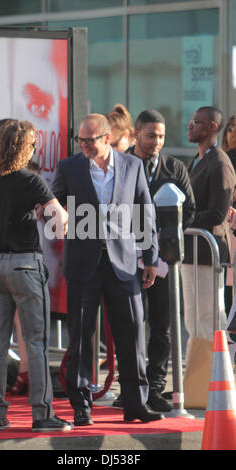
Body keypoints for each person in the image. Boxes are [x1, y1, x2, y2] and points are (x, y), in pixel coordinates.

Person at [51, 113, 164, 426]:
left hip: (124, 264)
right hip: (82, 265)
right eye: (81, 140)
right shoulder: (69, 167)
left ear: (106, 138)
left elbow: (145, 213)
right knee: (81, 338)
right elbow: (53, 203)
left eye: (90, 140)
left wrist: (150, 258)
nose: (84, 145)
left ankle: (136, 405)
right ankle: (82, 406)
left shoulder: (132, 166)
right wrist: (51, 211)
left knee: (132, 335)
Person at [0, 119, 73, 432]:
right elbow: (60, 217)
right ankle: (42, 414)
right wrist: (44, 217)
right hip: (25, 264)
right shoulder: (29, 180)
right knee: (35, 341)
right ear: (25, 148)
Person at [113, 109, 195, 412]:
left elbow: (190, 209)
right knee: (130, 323)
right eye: (151, 136)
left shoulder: (174, 168)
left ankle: (156, 386)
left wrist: (165, 239)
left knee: (162, 325)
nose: (157, 142)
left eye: (161, 136)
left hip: (161, 260)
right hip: (125, 257)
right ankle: (131, 387)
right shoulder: (120, 164)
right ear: (136, 135)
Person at [181, 106, 235, 352]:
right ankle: (199, 379)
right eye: (191, 122)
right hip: (190, 251)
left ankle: (215, 379)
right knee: (192, 321)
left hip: (207, 253)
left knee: (210, 318)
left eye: (196, 122)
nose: (190, 126)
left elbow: (217, 213)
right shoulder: (198, 159)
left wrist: (183, 220)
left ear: (212, 127)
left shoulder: (220, 163)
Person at [221, 116, 236, 313]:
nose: (233, 132)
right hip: (229, 232)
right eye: (230, 128)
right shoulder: (224, 158)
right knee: (228, 294)